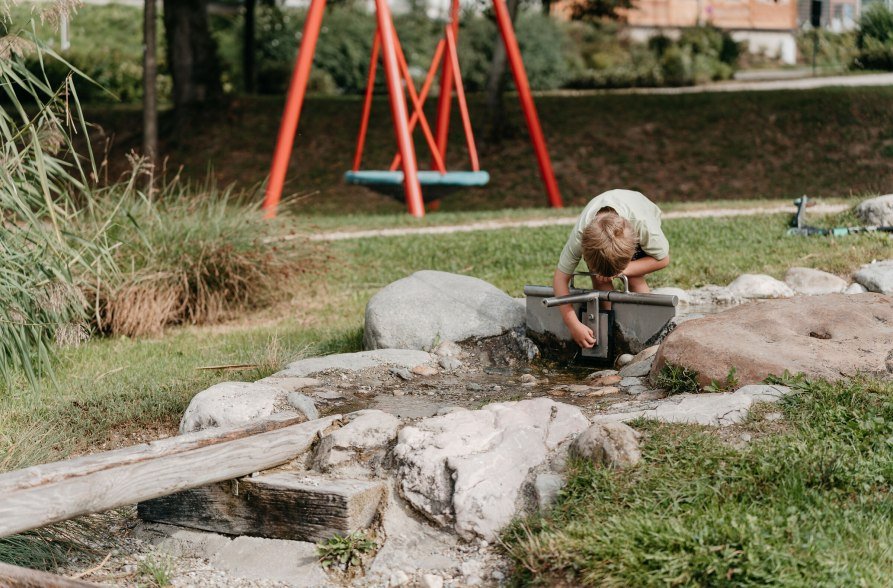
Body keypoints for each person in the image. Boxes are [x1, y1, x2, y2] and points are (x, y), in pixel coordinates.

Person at [552, 189, 671, 349]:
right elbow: (560, 278)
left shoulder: (643, 226)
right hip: (603, 232)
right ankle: (611, 329)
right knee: (600, 279)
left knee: (635, 278)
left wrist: (625, 270)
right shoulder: (581, 235)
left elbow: (663, 259)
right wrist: (573, 324)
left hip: (640, 213)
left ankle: (647, 332)